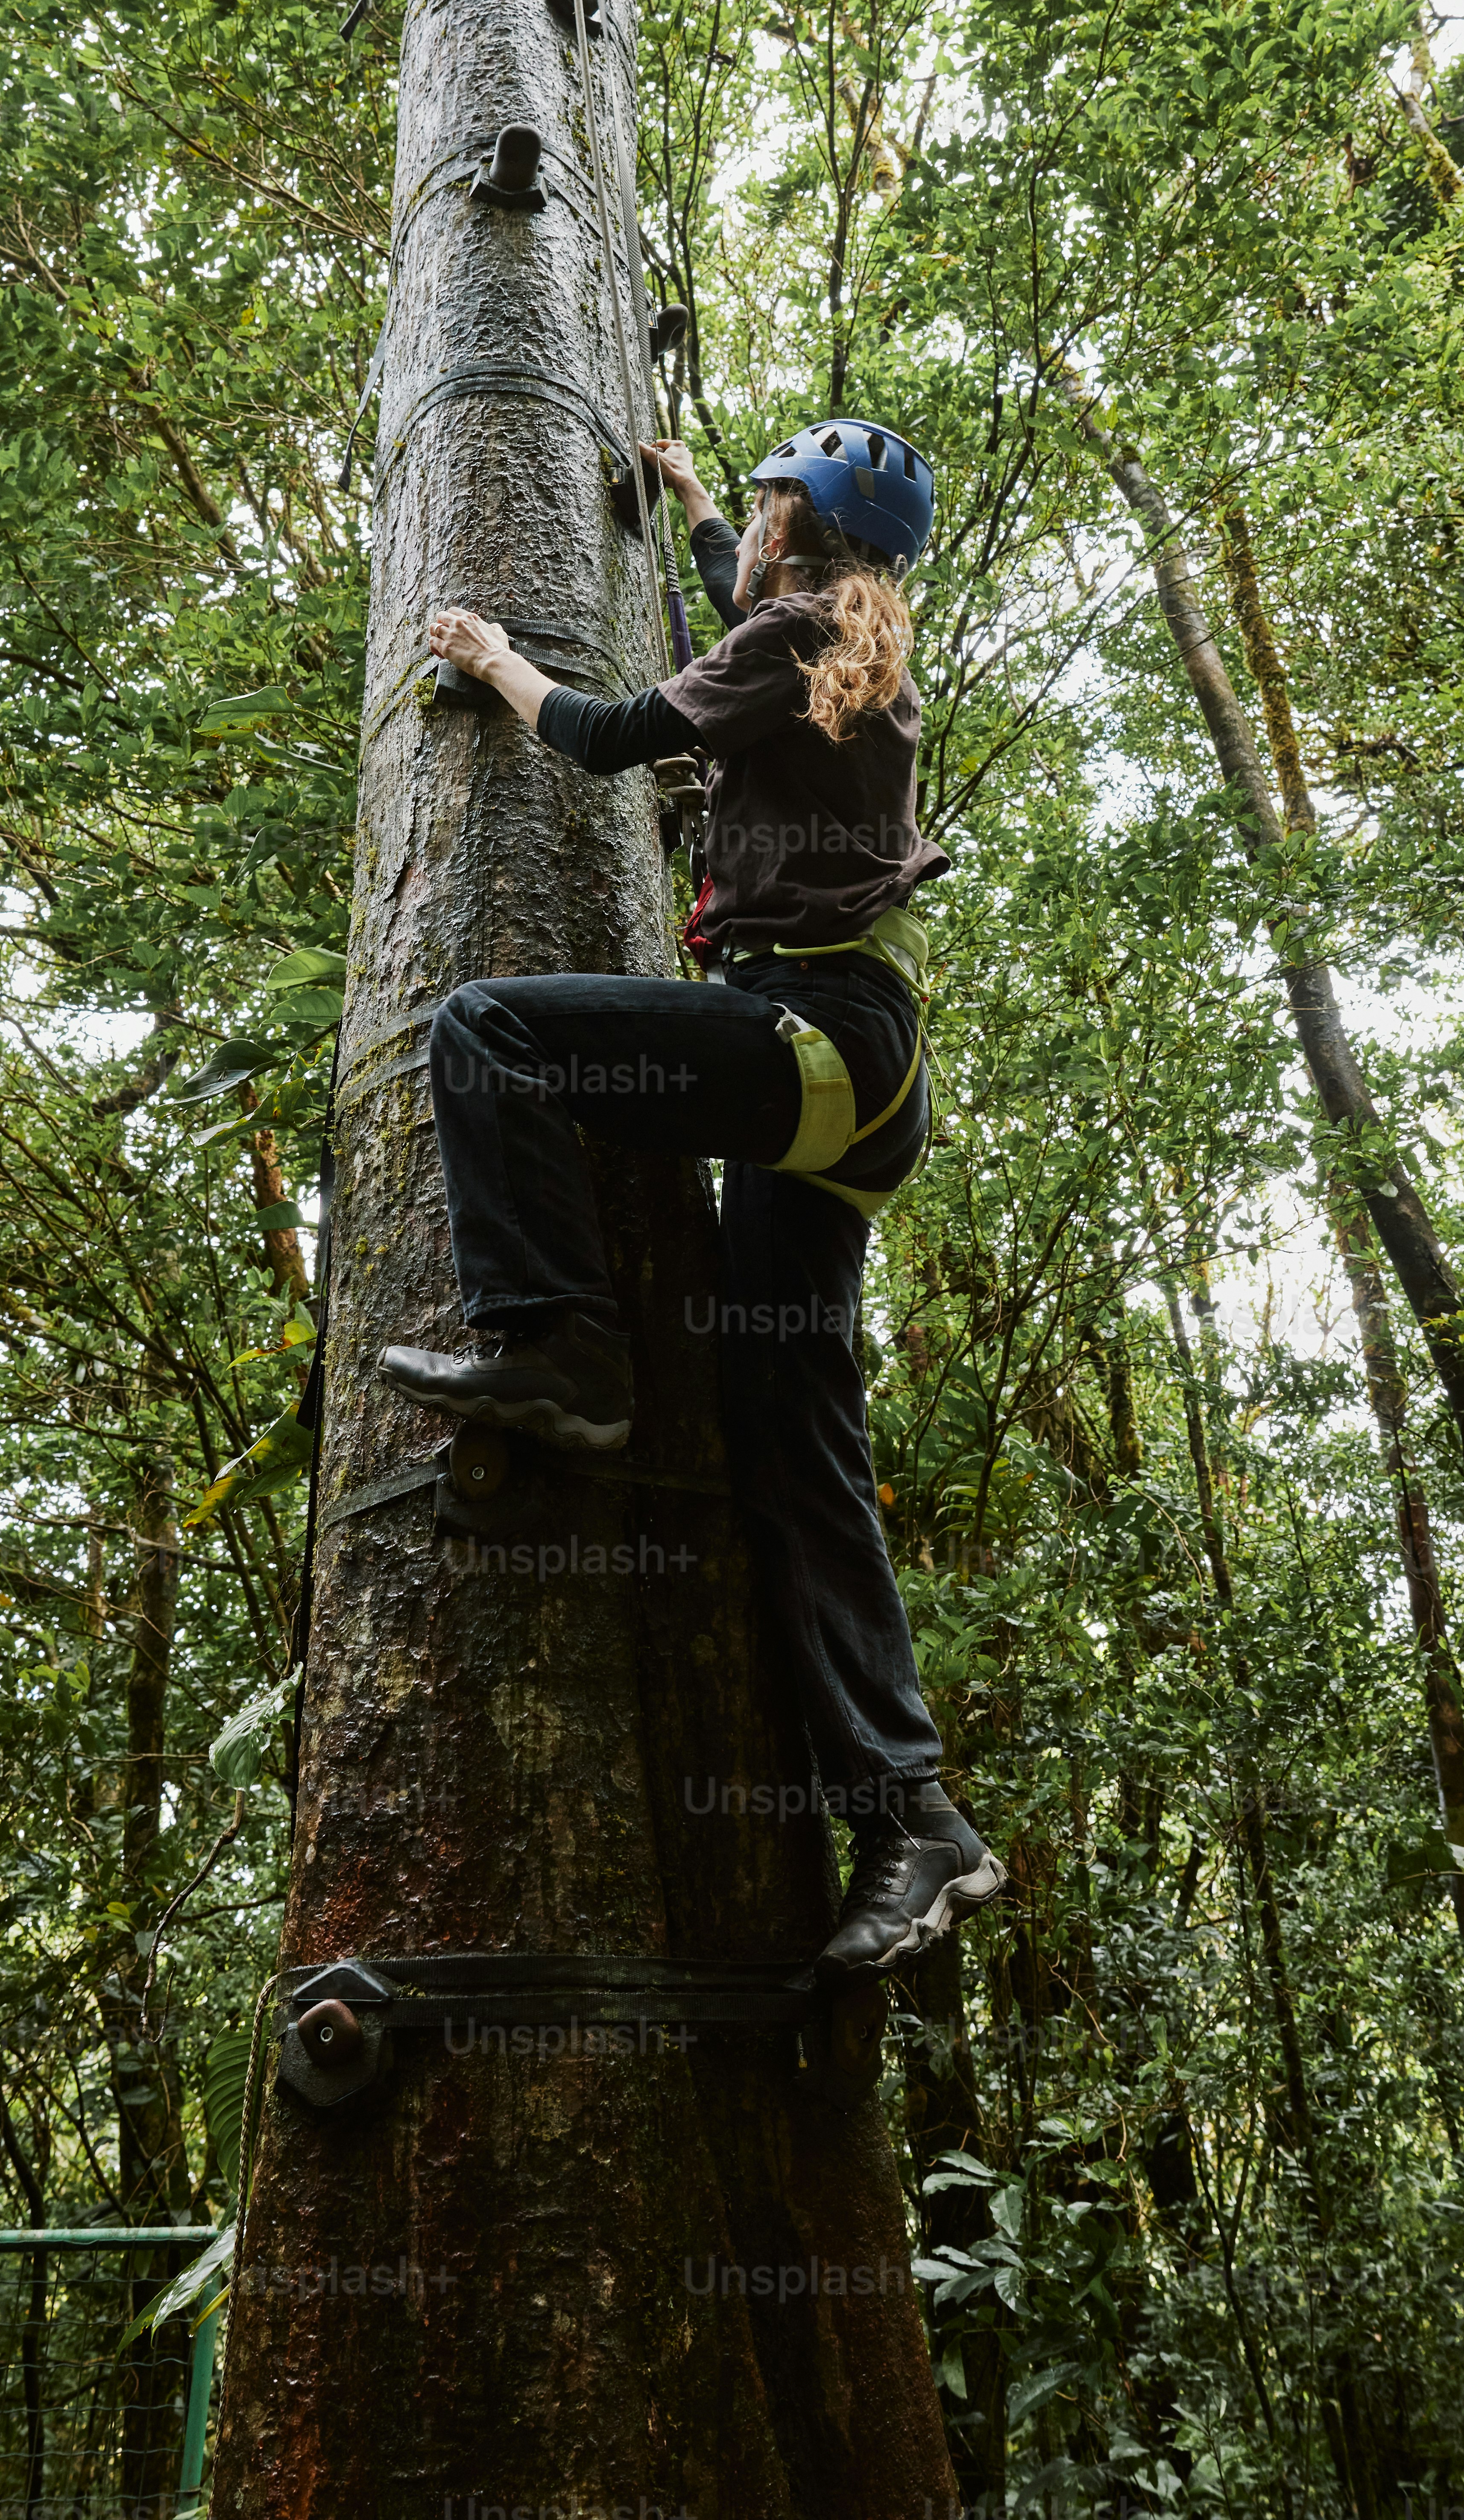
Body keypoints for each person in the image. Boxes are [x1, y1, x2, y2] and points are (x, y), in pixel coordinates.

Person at [379, 418, 1003, 1979]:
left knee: (488, 1026)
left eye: (764, 511)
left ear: (795, 539)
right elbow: (708, 680)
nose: (750, 536)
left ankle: (560, 1349)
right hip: (849, 1090)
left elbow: (606, 734)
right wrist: (690, 508)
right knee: (788, 1438)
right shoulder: (822, 645)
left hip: (815, 1035)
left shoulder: (794, 630)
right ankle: (912, 1817)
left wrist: (491, 653)